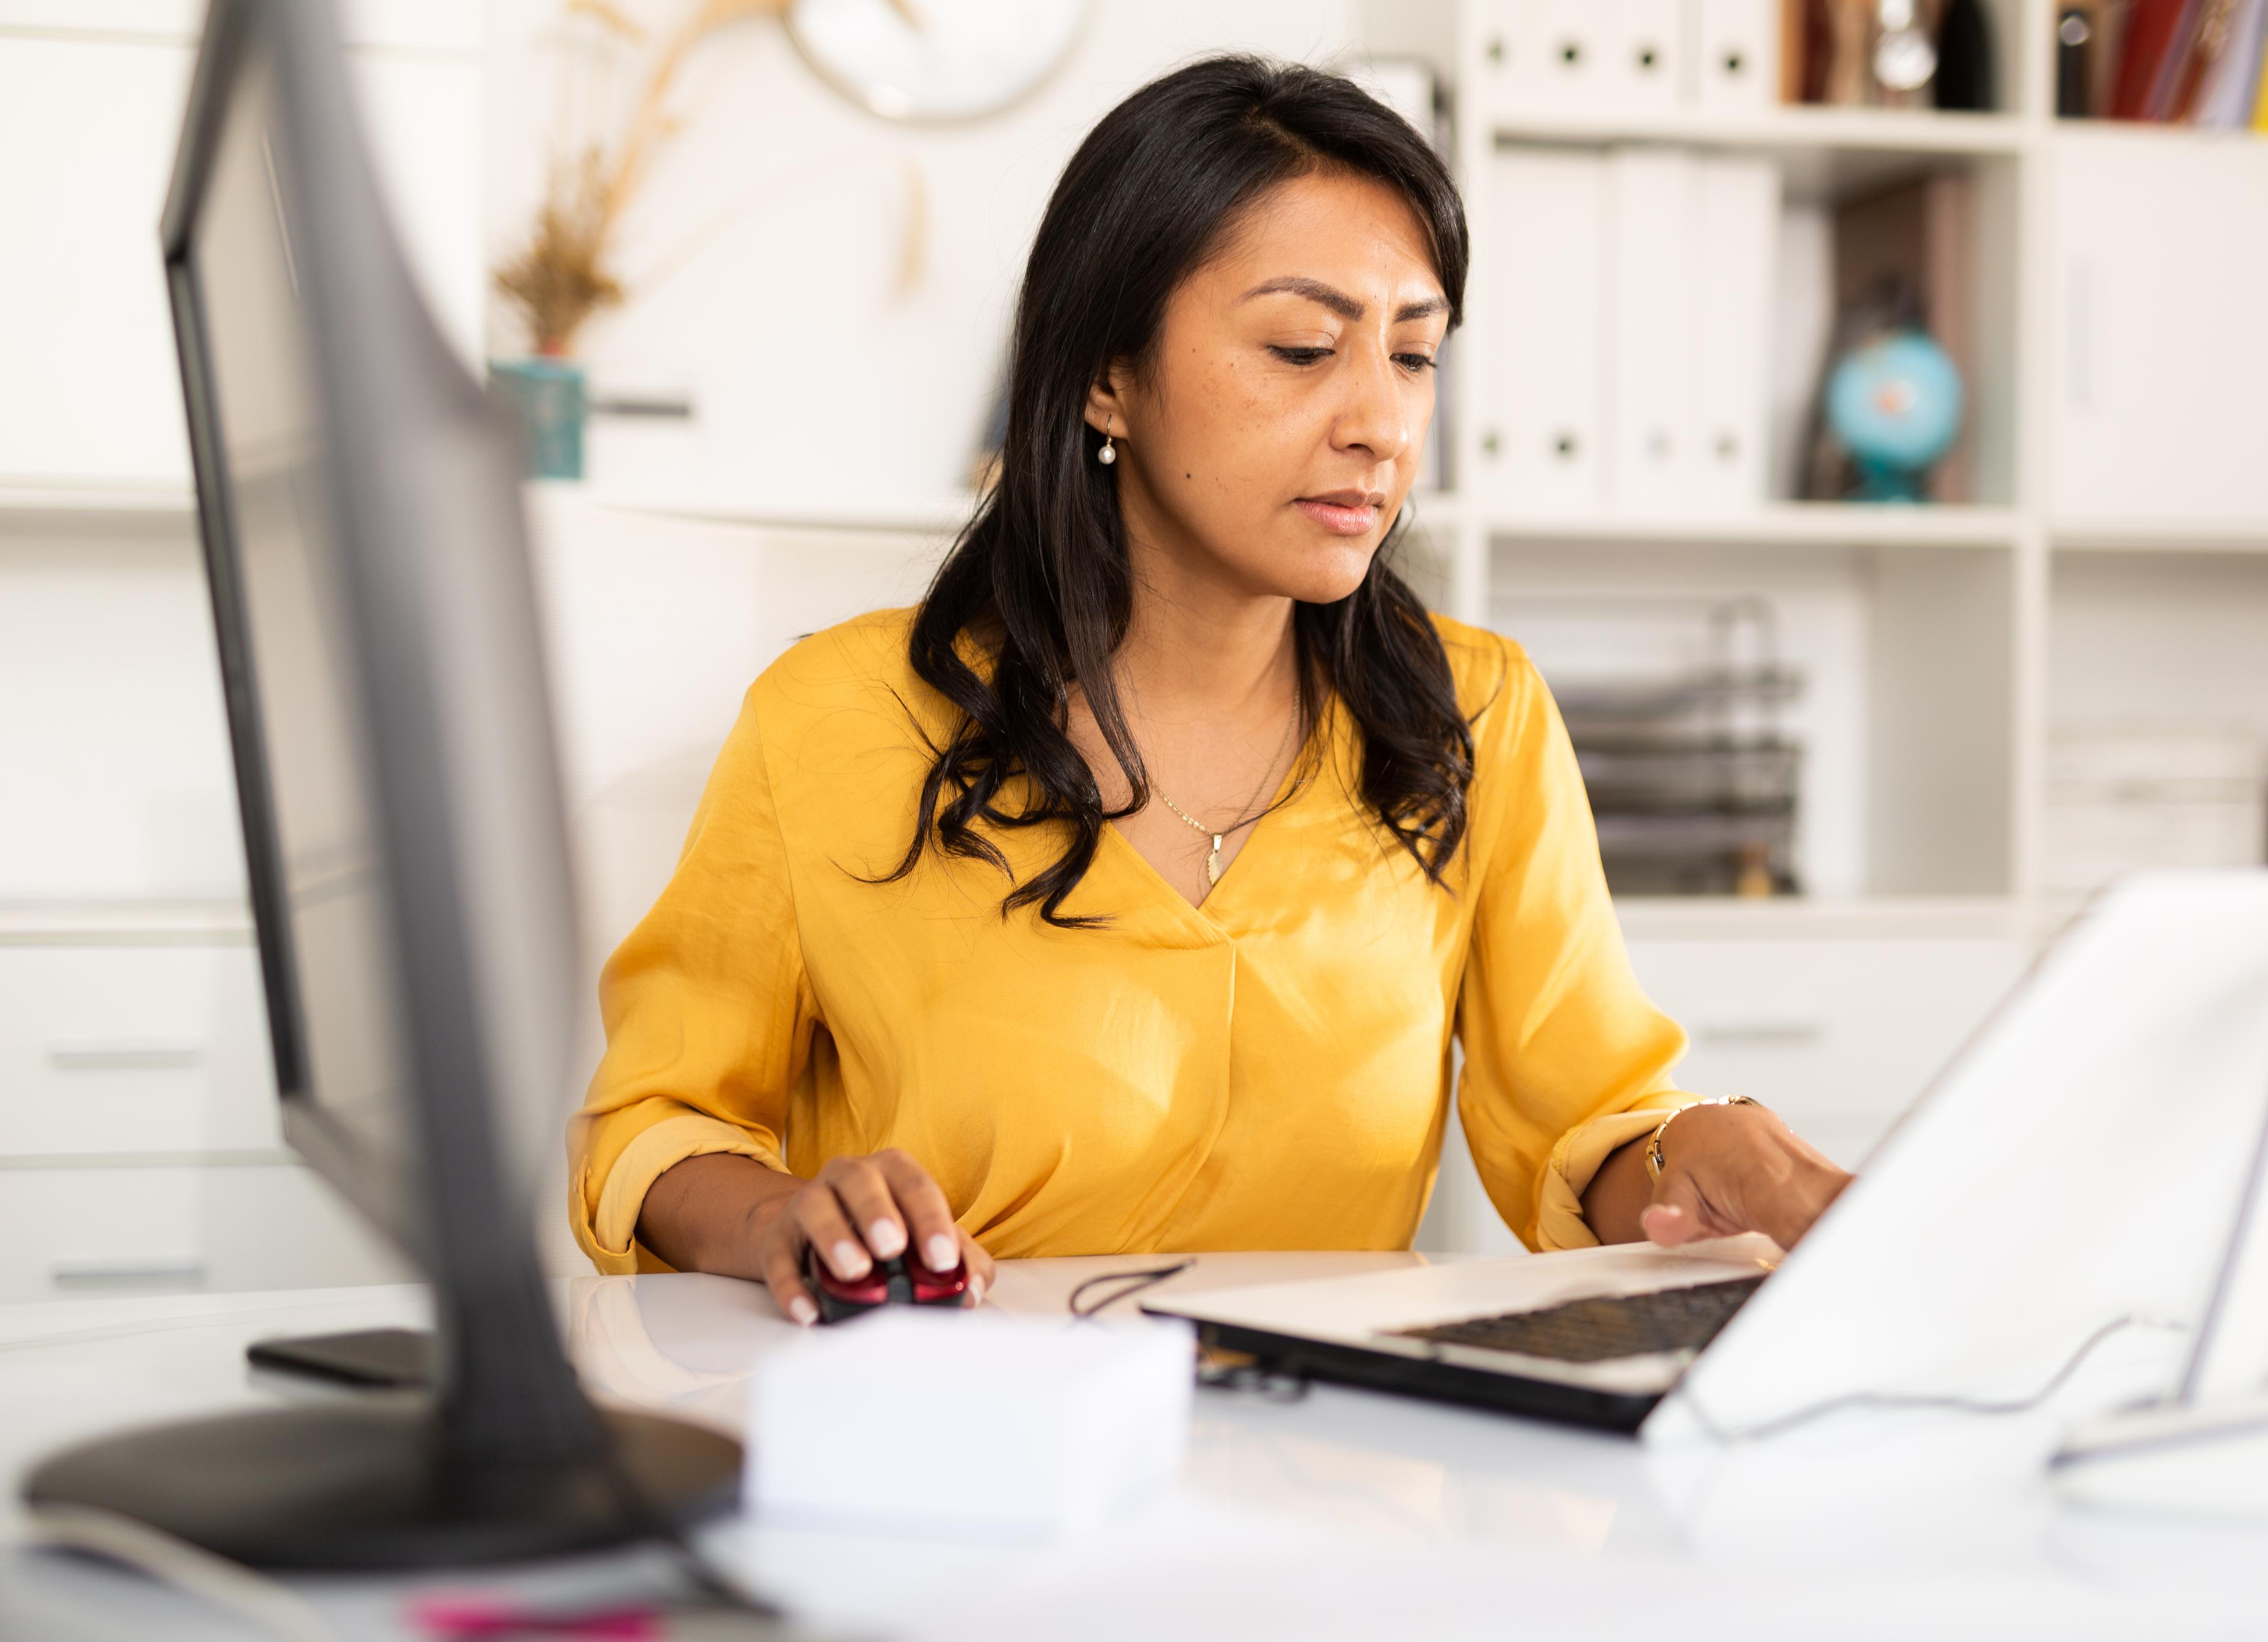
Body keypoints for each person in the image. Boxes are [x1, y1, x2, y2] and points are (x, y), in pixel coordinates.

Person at [569, 55, 1850, 1325]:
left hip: (1330, 1459)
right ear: (1106, 375)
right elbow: (656, 1124)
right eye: (1302, 348)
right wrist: (786, 1214)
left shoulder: (1476, 716)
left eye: (1413, 356)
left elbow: (1586, 1129)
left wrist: (1707, 1154)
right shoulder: (834, 716)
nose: (1382, 424)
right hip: (960, 1441)